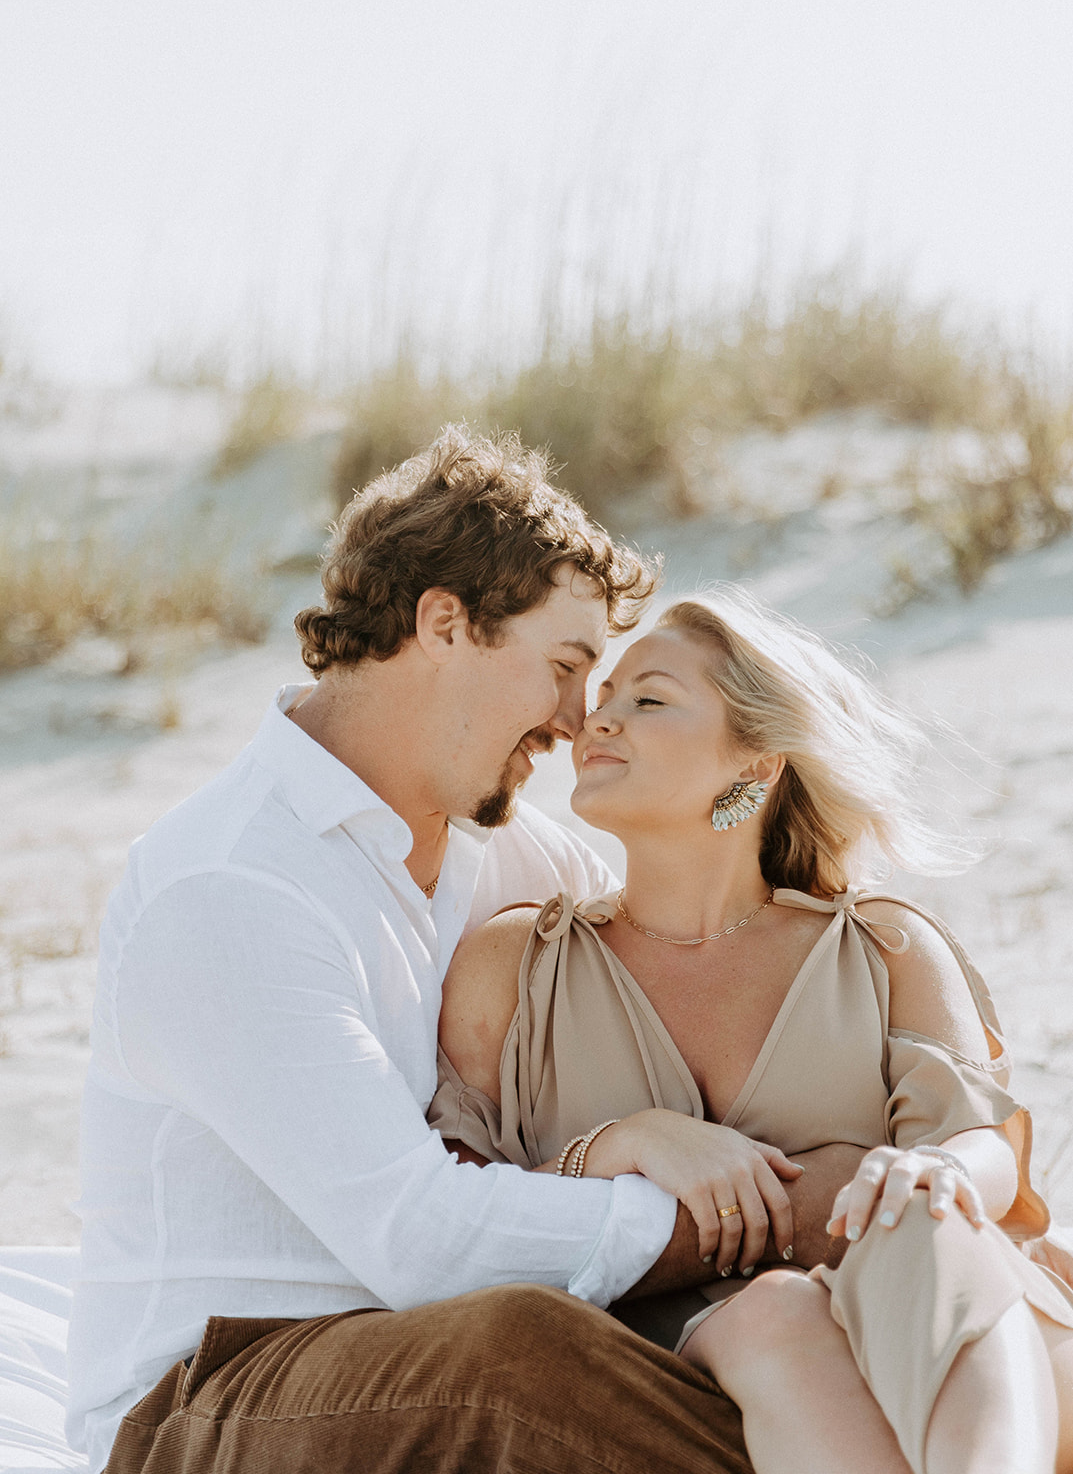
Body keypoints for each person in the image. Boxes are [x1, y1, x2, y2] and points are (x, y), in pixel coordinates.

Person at [66, 428, 855, 1474]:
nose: (579, 722)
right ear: (443, 623)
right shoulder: (227, 885)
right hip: (207, 1398)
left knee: (811, 1318)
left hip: (414, 1346)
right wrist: (754, 1218)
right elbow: (422, 1242)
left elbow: (683, 941)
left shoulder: (509, 851)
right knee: (518, 1357)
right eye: (566, 668)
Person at [435, 586, 1073, 1474]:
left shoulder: (882, 945)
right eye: (604, 698)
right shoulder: (513, 967)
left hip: (932, 1302)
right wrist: (627, 1142)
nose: (598, 720)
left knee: (919, 1213)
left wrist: (934, 1167)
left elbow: (980, 1146)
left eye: (647, 700)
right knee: (775, 1313)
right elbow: (454, 1219)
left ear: (756, 765)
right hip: (681, 1348)